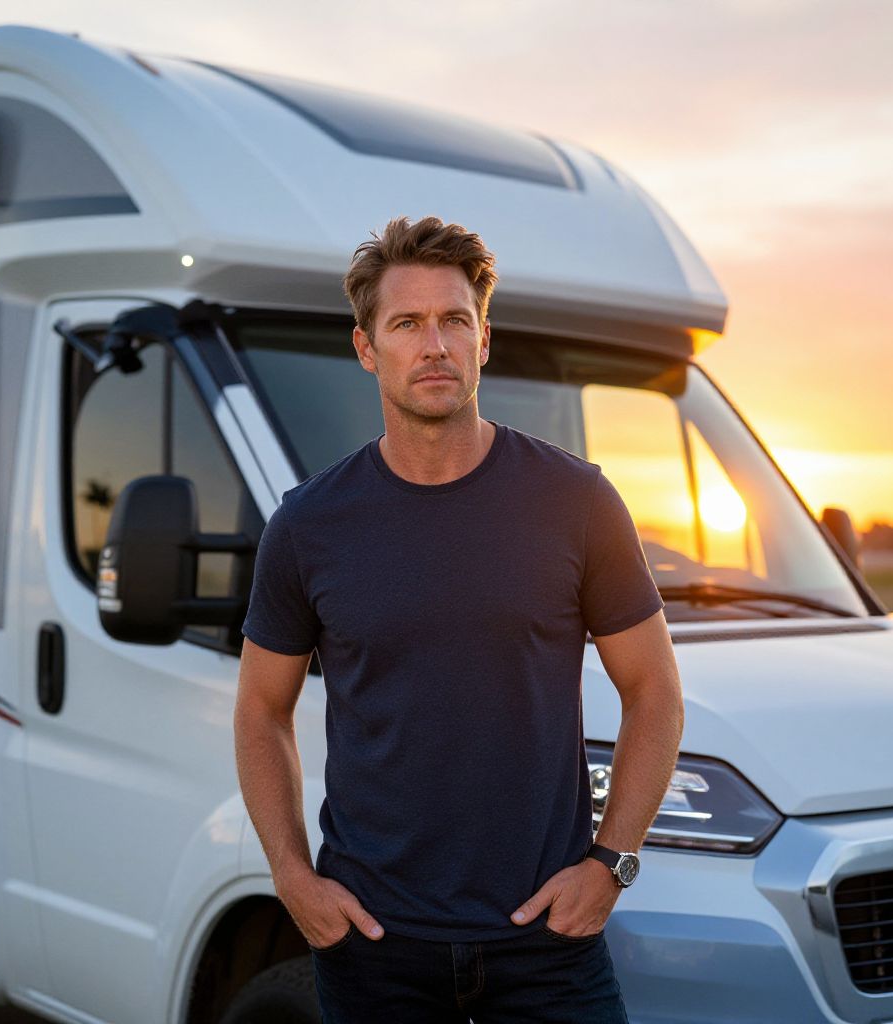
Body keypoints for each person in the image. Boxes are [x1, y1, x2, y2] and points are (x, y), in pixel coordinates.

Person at [234, 215, 684, 1022]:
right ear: (367, 349)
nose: (433, 344)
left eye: (454, 320)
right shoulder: (307, 526)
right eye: (406, 323)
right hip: (374, 947)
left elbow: (654, 689)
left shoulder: (576, 501)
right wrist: (291, 876)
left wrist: (611, 863)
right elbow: (261, 709)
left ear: (484, 341)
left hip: (549, 940)